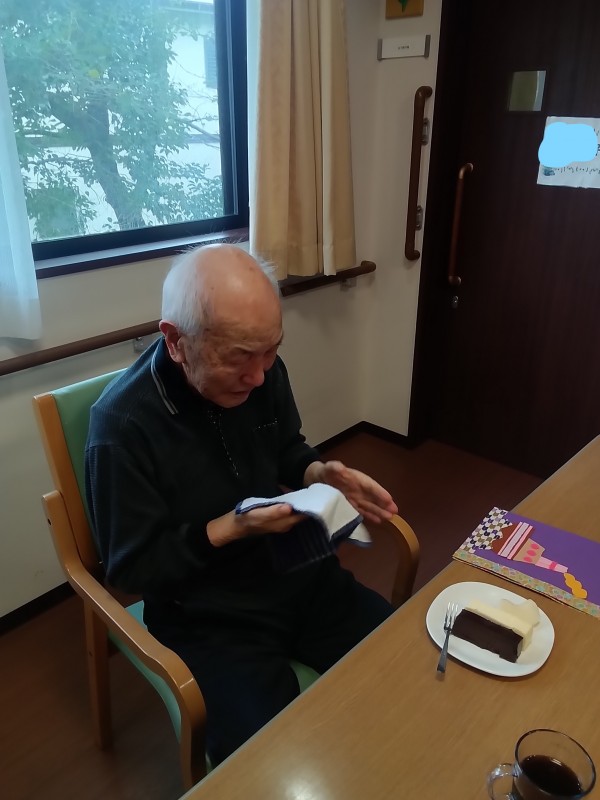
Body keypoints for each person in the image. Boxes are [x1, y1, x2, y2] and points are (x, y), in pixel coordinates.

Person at [85, 243, 399, 765]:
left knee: (398, 665)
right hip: (204, 615)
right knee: (271, 759)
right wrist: (230, 529)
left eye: (271, 350)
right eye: (238, 358)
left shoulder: (263, 370)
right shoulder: (122, 428)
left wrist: (316, 472)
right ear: (176, 341)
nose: (259, 376)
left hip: (294, 572)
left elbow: (285, 447)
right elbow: (132, 566)